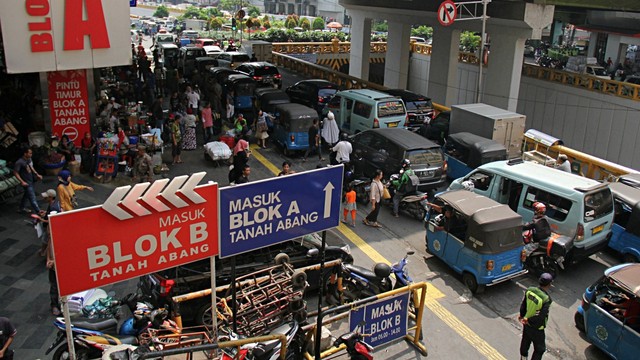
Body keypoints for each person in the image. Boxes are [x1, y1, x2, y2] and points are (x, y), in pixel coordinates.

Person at [519, 273, 554, 360]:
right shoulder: (546, 299)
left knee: (525, 342)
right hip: (537, 329)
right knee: (540, 349)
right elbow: (541, 317)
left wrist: (523, 317)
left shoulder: (530, 290)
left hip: (526, 324)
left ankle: (523, 358)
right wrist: (529, 321)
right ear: (549, 285)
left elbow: (523, 305)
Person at [14, 147, 42, 214]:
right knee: (32, 197)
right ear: (25, 153)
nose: (31, 154)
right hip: (26, 182)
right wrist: (22, 181)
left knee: (26, 195)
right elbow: (15, 172)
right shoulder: (19, 162)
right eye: (30, 153)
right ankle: (39, 211)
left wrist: (36, 174)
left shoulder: (28, 159)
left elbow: (31, 167)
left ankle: (21, 208)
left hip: (30, 180)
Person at [36, 189, 61, 256]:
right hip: (48, 224)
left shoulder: (53, 207)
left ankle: (44, 252)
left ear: (51, 197)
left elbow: (52, 220)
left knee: (45, 239)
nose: (44, 198)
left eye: (46, 197)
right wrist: (45, 212)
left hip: (49, 227)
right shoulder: (54, 203)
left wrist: (41, 219)